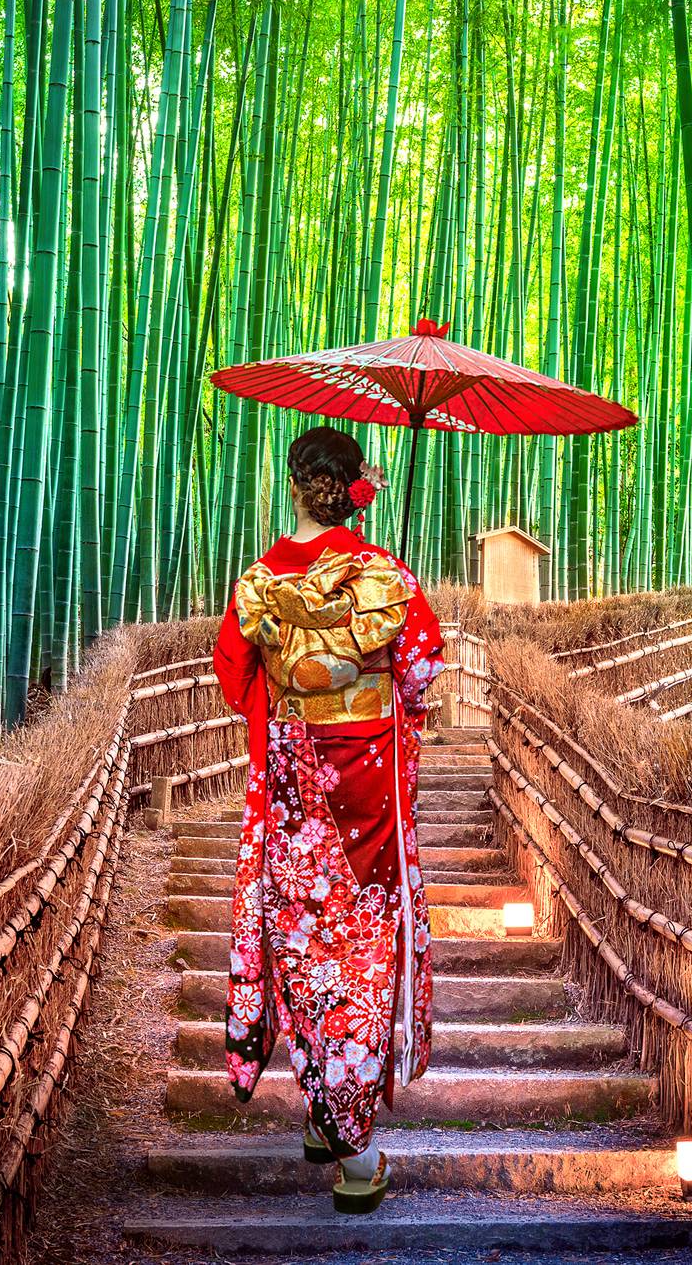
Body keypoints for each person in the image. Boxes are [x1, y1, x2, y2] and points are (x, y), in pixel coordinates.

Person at [210, 426, 444, 1215]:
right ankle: (356, 1150)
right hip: (366, 789)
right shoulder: (385, 574)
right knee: (361, 946)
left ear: (293, 483)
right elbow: (418, 674)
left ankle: (322, 1108)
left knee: (303, 936)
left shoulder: (259, 579)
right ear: (354, 488)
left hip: (291, 790)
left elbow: (234, 678)